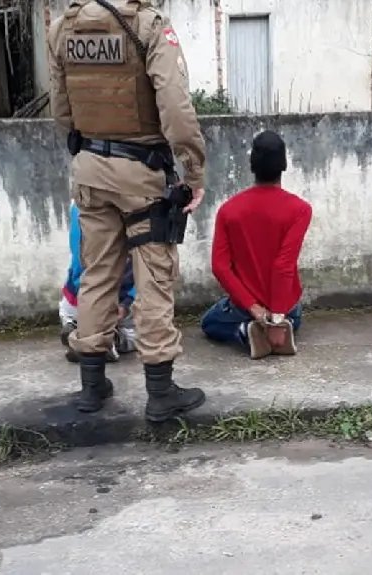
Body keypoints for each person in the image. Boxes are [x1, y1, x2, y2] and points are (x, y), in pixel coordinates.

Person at [48, 0, 208, 421]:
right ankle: (160, 392)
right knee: (154, 276)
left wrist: (90, 149)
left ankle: (92, 386)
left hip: (88, 170)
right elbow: (175, 107)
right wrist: (193, 171)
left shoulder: (63, 28)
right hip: (141, 173)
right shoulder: (150, 26)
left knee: (97, 273)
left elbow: (61, 110)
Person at [200, 131, 312, 359]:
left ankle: (245, 331)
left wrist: (254, 308)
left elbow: (220, 267)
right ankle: (283, 330)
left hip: (245, 309)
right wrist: (277, 318)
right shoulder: (300, 209)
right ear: (284, 165)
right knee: (295, 317)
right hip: (286, 309)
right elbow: (283, 265)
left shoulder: (228, 210)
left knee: (209, 322)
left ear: (252, 165)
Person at [59, 201, 138, 364]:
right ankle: (110, 339)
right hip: (116, 306)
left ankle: (78, 330)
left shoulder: (81, 204)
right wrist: (125, 303)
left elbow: (78, 264)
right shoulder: (138, 204)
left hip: (75, 300)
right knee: (149, 335)